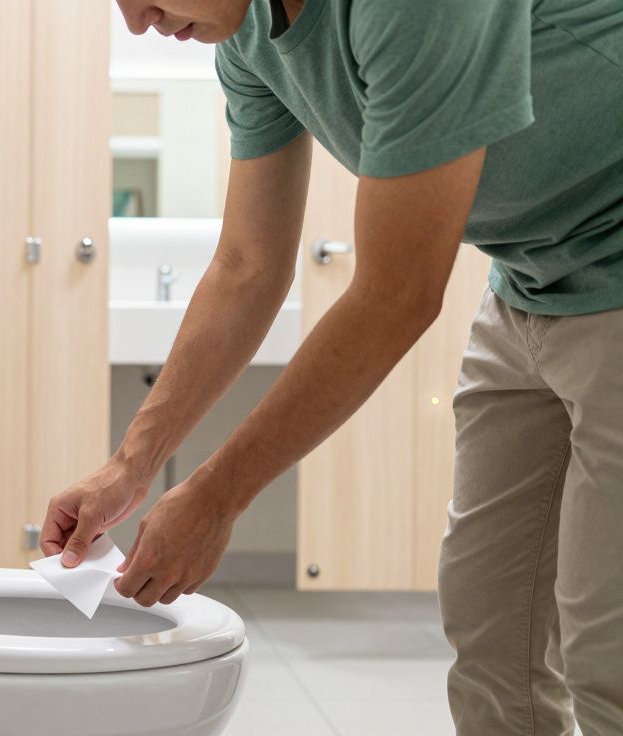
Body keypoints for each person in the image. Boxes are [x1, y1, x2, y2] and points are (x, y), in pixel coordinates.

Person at [40, 0, 623, 733]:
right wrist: (129, 466)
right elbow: (248, 265)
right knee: (493, 641)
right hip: (526, 285)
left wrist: (218, 496)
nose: (136, 20)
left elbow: (399, 294)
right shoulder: (247, 34)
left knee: (608, 653)